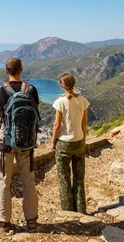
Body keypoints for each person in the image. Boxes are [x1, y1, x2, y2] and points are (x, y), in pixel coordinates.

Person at [0, 58, 40, 231]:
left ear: (6, 71)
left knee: (4, 180)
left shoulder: (0, 90)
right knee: (29, 181)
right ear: (21, 70)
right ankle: (31, 219)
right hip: (26, 141)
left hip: (6, 141)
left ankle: (4, 220)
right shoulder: (31, 89)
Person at [49, 73, 89, 214]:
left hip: (64, 143)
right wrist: (84, 139)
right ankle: (81, 210)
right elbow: (84, 123)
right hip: (78, 141)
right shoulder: (83, 100)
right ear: (74, 83)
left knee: (64, 178)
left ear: (61, 85)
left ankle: (68, 211)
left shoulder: (60, 102)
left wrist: (53, 142)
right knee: (79, 178)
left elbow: (57, 124)